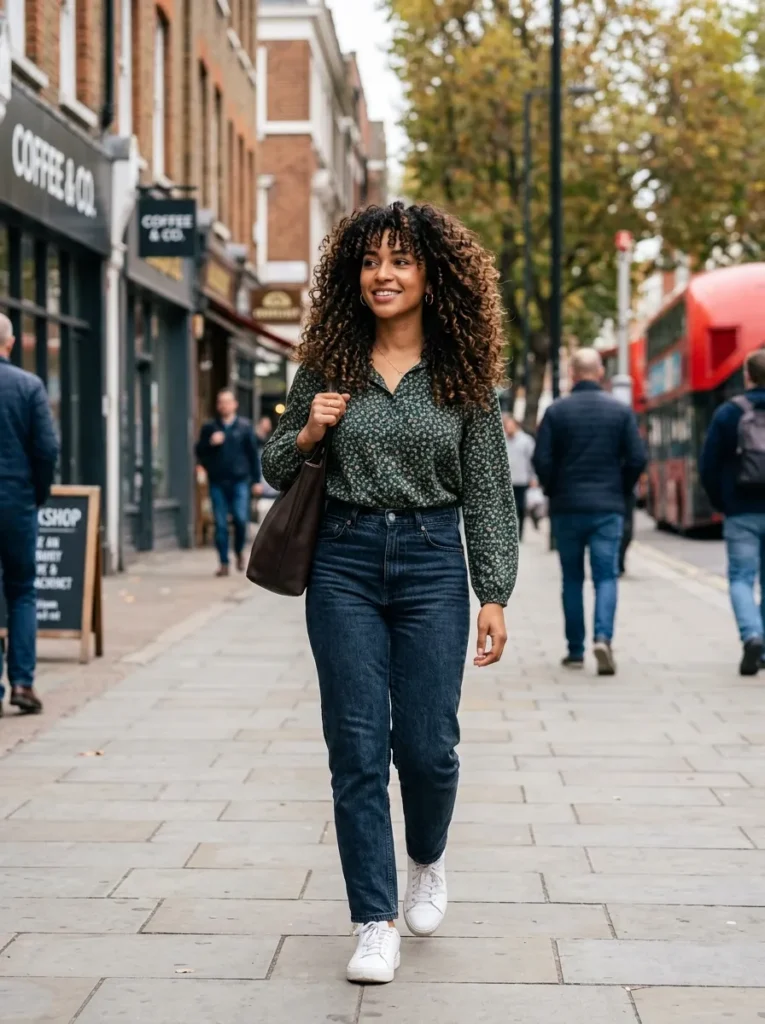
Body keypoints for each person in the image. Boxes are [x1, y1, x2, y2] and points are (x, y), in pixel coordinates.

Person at [262, 202, 518, 985]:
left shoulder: (463, 374)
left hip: (432, 560)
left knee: (429, 749)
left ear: (431, 277)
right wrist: (307, 431)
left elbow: (487, 491)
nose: (383, 274)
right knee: (357, 749)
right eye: (370, 261)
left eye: (400, 261)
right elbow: (276, 465)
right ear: (354, 273)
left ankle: (427, 861)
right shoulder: (328, 363)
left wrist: (493, 590)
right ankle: (373, 919)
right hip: (340, 561)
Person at [533, 348, 646, 675]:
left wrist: (554, 488)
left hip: (567, 507)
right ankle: (603, 637)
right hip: (607, 507)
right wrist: (621, 489)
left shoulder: (556, 412)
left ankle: (575, 650)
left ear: (572, 373)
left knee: (571, 578)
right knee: (606, 575)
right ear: (600, 373)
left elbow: (542, 460)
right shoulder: (620, 412)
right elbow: (637, 458)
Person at [0, 313, 58, 716]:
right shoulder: (27, 386)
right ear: (11, 341)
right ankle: (22, 682)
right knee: (22, 590)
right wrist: (37, 493)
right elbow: (47, 450)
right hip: (16, 501)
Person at [700, 348, 765, 675]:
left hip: (740, 509)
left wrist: (721, 502)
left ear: (747, 376)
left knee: (740, 577)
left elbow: (708, 465)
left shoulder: (729, 413)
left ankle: (752, 634)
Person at [195, 389, 262, 576]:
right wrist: (210, 443)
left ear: (235, 404)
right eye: (221, 402)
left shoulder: (245, 426)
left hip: (240, 481)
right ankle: (224, 562)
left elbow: (252, 455)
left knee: (241, 520)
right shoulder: (210, 428)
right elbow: (199, 451)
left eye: (227, 402)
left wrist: (256, 480)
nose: (224, 405)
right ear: (218, 406)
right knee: (221, 524)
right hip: (217, 481)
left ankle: (239, 551)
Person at [503, 414, 536, 540]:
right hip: (507, 480)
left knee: (521, 507)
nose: (508, 429)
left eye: (510, 426)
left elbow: (531, 460)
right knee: (508, 509)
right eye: (506, 426)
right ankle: (509, 533)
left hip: (522, 479)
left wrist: (533, 477)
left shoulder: (526, 440)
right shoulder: (503, 440)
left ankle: (520, 532)